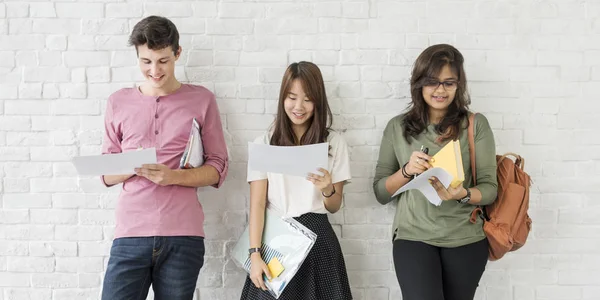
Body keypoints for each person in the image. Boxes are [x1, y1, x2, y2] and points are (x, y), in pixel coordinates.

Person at [100, 16, 229, 300]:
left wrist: (174, 177)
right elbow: (106, 174)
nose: (155, 70)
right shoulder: (118, 101)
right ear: (137, 56)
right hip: (130, 234)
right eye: (146, 61)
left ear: (177, 53)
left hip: (183, 236)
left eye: (163, 61)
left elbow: (218, 167)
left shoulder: (202, 99)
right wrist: (131, 163)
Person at [372, 44, 498, 300]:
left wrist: (462, 194)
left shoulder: (475, 125)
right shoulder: (397, 127)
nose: (440, 90)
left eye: (449, 83)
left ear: (458, 86)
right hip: (413, 237)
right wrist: (406, 171)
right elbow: (380, 193)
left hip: (466, 238)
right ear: (419, 83)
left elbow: (490, 189)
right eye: (432, 82)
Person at [240, 61, 353, 300]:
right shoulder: (265, 143)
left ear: (318, 102)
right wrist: (255, 254)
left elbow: (334, 206)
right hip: (276, 240)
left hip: (318, 240)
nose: (299, 106)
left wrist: (327, 188)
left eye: (308, 99)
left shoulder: (334, 142)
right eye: (292, 97)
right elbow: (258, 205)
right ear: (282, 99)